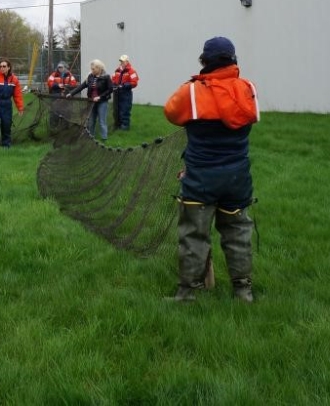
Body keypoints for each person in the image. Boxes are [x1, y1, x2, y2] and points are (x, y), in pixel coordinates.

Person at [163, 36, 260, 303]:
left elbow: (171, 113)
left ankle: (187, 294)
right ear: (233, 60)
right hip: (238, 177)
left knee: (194, 236)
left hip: (201, 178)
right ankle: (243, 292)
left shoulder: (191, 92)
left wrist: (195, 83)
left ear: (204, 61)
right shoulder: (247, 88)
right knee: (238, 234)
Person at [65, 59, 114, 141]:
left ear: (99, 68)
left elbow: (110, 89)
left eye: (93, 69)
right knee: (91, 120)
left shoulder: (106, 77)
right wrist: (71, 93)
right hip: (91, 102)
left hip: (102, 102)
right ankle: (91, 138)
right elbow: (82, 86)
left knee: (102, 121)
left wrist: (100, 97)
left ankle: (104, 139)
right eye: (91, 69)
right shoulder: (90, 76)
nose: (92, 70)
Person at [111, 54, 139, 130]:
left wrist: (126, 85)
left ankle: (125, 126)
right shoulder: (117, 70)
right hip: (117, 92)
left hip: (126, 93)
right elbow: (112, 79)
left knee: (125, 109)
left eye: (123, 61)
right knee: (117, 109)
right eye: (121, 61)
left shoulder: (132, 71)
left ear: (127, 61)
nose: (121, 62)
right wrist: (113, 84)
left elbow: (134, 82)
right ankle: (117, 124)